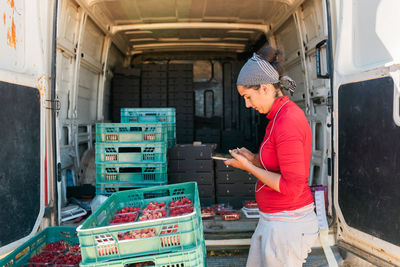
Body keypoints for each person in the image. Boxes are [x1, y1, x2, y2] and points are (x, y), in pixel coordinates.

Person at [224, 45, 319, 267]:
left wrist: (249, 168)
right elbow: (278, 165)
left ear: (265, 88)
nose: (247, 104)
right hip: (274, 220)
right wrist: (253, 159)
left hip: (288, 225)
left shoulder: (288, 121)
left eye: (248, 97)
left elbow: (292, 186)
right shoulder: (276, 117)